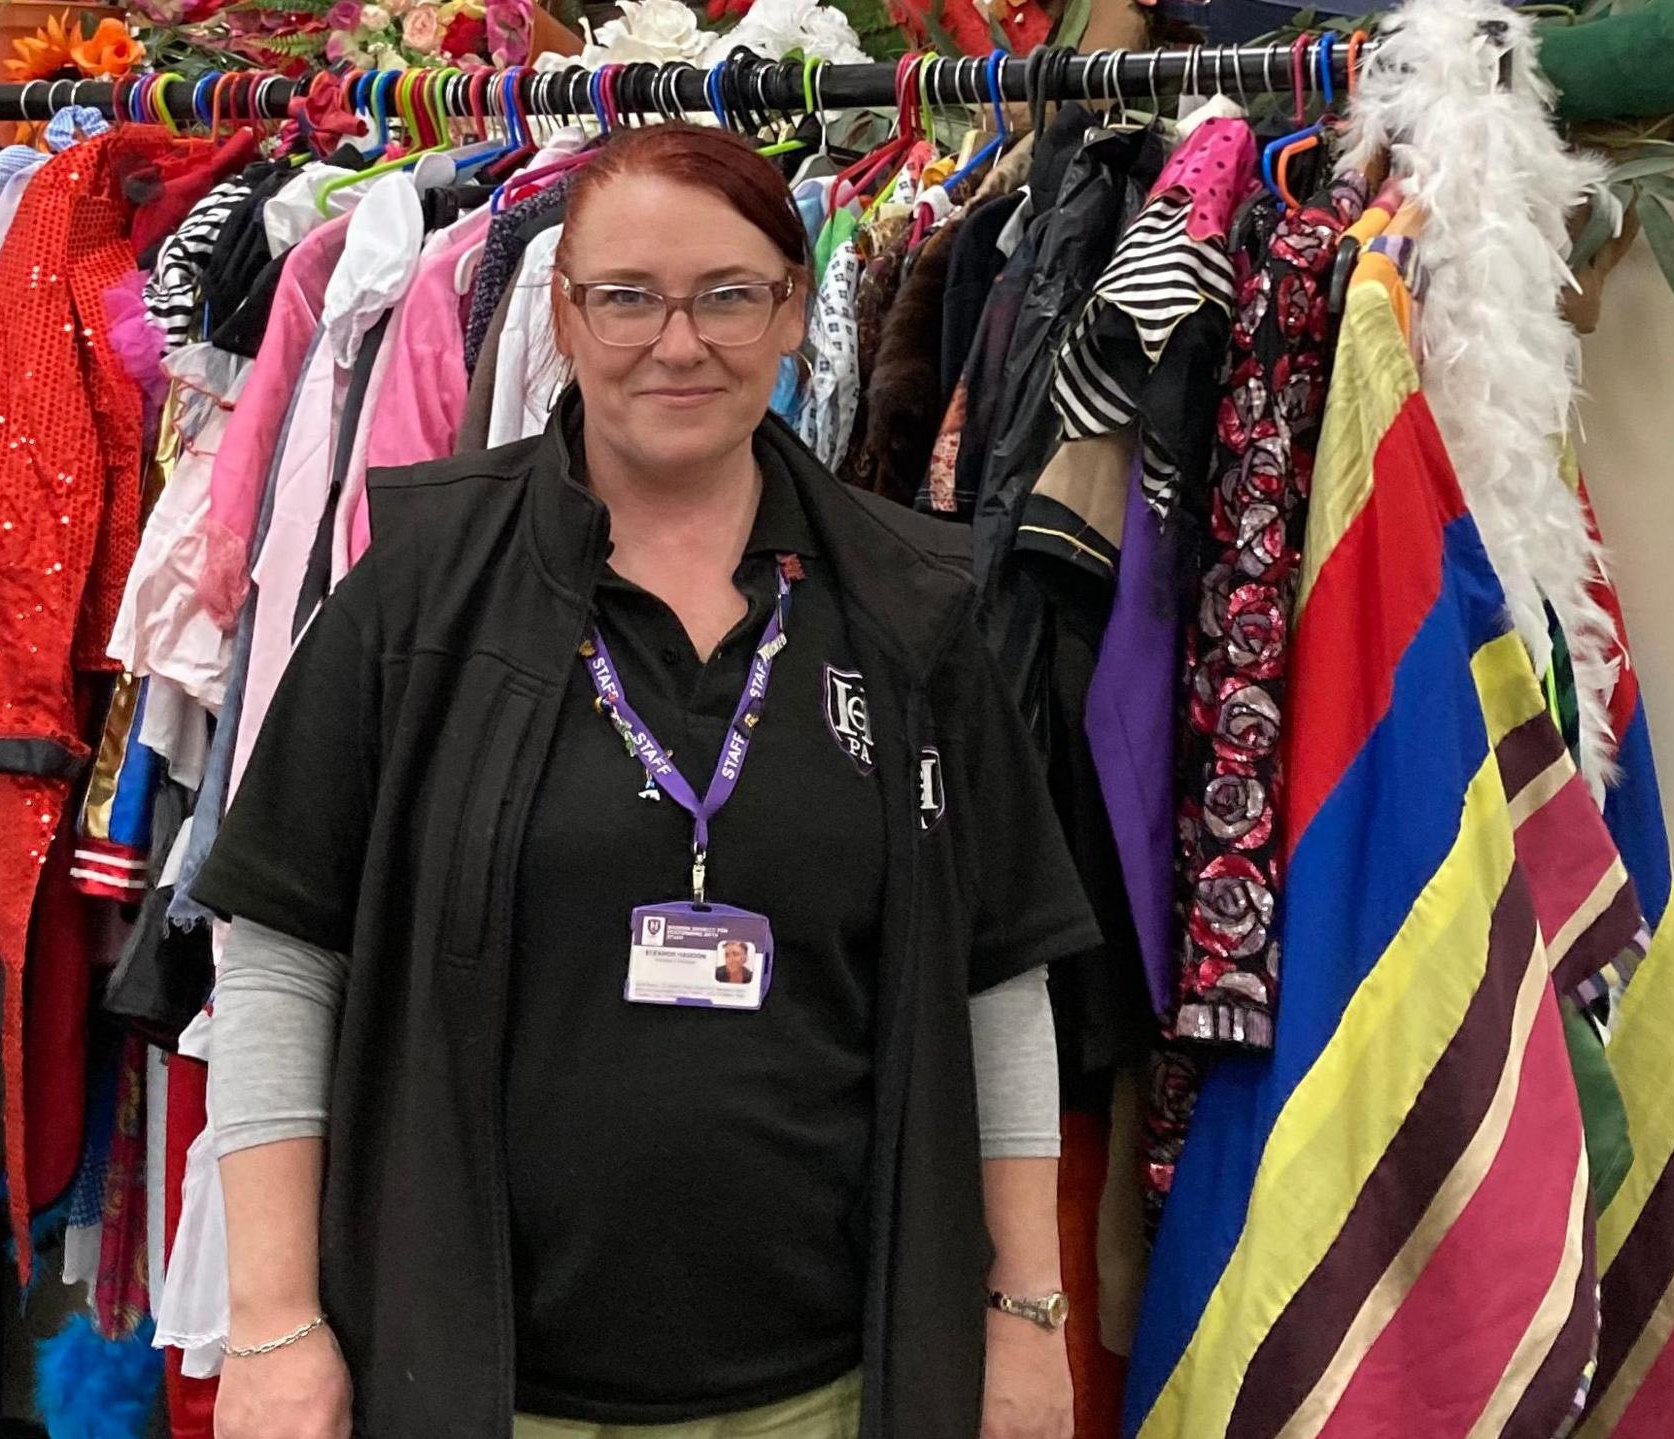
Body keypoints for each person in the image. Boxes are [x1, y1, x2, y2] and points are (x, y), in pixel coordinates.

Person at [196, 123, 1098, 1439]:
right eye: (626, 297)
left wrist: (1024, 1317)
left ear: (795, 312)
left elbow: (998, 975)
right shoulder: (419, 590)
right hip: (484, 1389)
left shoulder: (911, 604)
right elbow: (281, 955)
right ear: (559, 314)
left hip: (832, 1392)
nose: (678, 344)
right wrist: (276, 1331)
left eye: (730, 295)